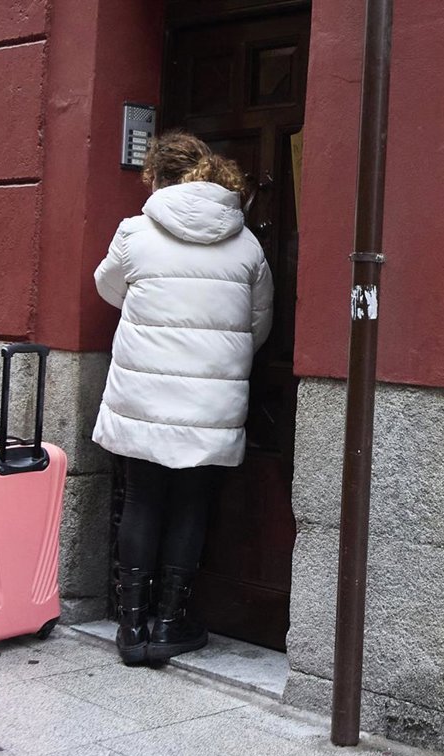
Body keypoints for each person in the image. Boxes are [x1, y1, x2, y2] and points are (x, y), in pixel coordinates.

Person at [92, 131, 273, 666]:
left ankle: (131, 628)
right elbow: (258, 324)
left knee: (142, 498)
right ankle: (170, 623)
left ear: (157, 177)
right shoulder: (247, 244)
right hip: (211, 399)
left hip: (143, 393)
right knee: (193, 502)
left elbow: (107, 287)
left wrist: (151, 311)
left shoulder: (135, 232)